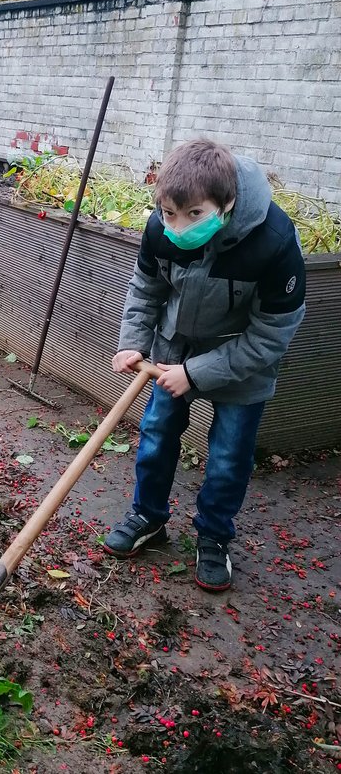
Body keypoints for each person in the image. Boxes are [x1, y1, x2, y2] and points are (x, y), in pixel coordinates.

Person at [104, 139, 306, 592]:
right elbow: (145, 290)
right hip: (174, 348)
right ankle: (148, 517)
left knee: (229, 457)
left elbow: (272, 335)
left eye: (194, 215)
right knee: (156, 436)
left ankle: (213, 537)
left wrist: (195, 374)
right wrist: (135, 344)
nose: (178, 227)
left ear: (227, 203)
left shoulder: (273, 243)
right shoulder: (162, 229)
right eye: (170, 213)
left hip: (243, 361)